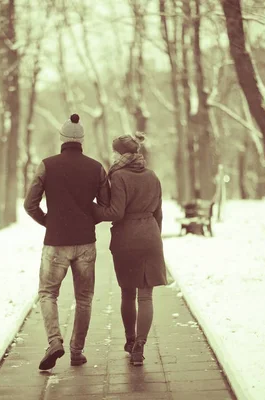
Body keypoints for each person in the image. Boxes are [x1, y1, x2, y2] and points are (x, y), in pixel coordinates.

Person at [24, 113, 110, 370]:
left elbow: (30, 204)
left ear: (61, 139)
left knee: (48, 293)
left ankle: (54, 342)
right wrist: (86, 218)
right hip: (85, 243)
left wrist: (48, 222)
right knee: (84, 297)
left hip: (56, 242)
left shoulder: (47, 165)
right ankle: (77, 351)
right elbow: (105, 205)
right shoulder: (96, 168)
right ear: (82, 140)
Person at [92, 132, 167, 366]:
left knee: (127, 292)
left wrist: (90, 210)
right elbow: (159, 213)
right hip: (151, 236)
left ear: (122, 154)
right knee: (146, 296)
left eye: (115, 151)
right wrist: (153, 235)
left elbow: (116, 213)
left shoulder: (119, 176)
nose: (112, 155)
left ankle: (130, 339)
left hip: (127, 238)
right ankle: (139, 347)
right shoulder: (153, 176)